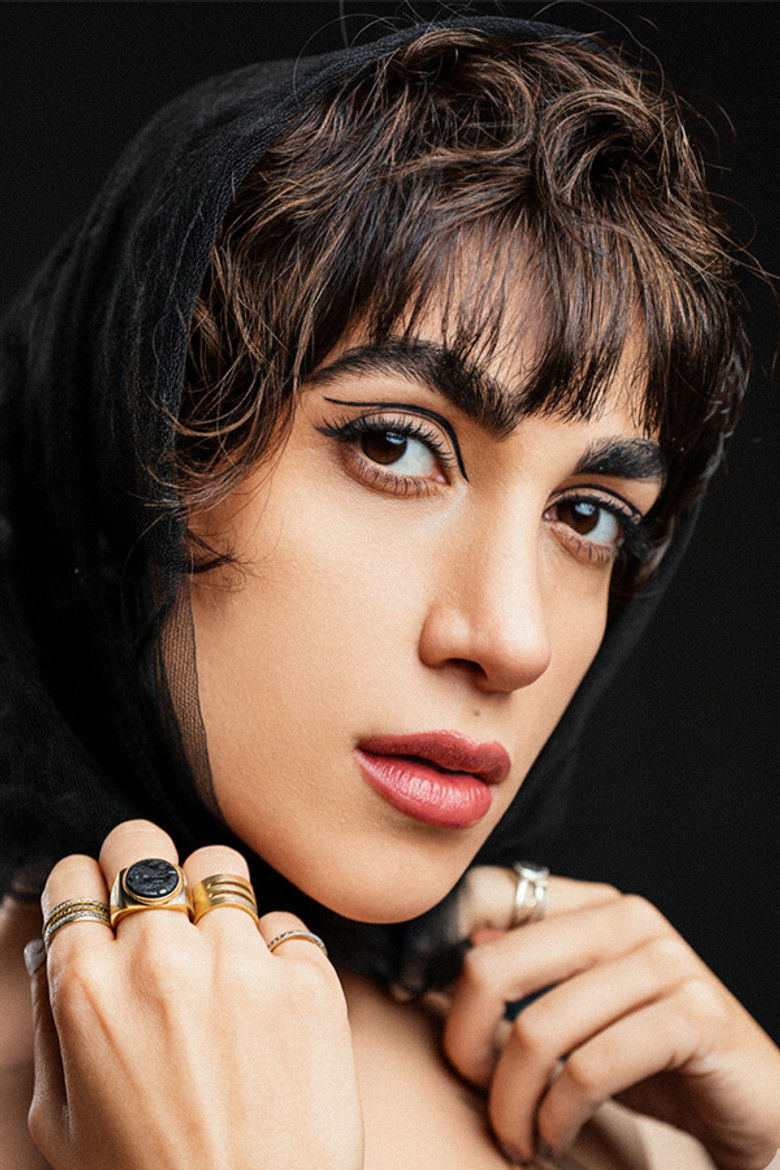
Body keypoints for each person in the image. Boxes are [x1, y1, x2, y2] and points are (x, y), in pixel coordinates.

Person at [0, 9, 778, 1170]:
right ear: (138, 445)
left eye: (588, 515)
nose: (510, 638)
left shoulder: (625, 1125)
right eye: (396, 446)